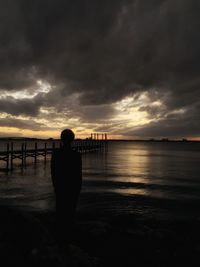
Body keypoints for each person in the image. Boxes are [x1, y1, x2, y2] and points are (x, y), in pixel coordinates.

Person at [51, 129, 82, 248]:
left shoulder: (56, 154)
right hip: (72, 188)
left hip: (60, 187)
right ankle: (67, 240)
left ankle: (59, 239)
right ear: (73, 140)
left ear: (61, 139)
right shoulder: (76, 155)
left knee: (60, 212)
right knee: (70, 213)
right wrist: (78, 189)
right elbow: (78, 175)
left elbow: (53, 172)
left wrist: (55, 186)